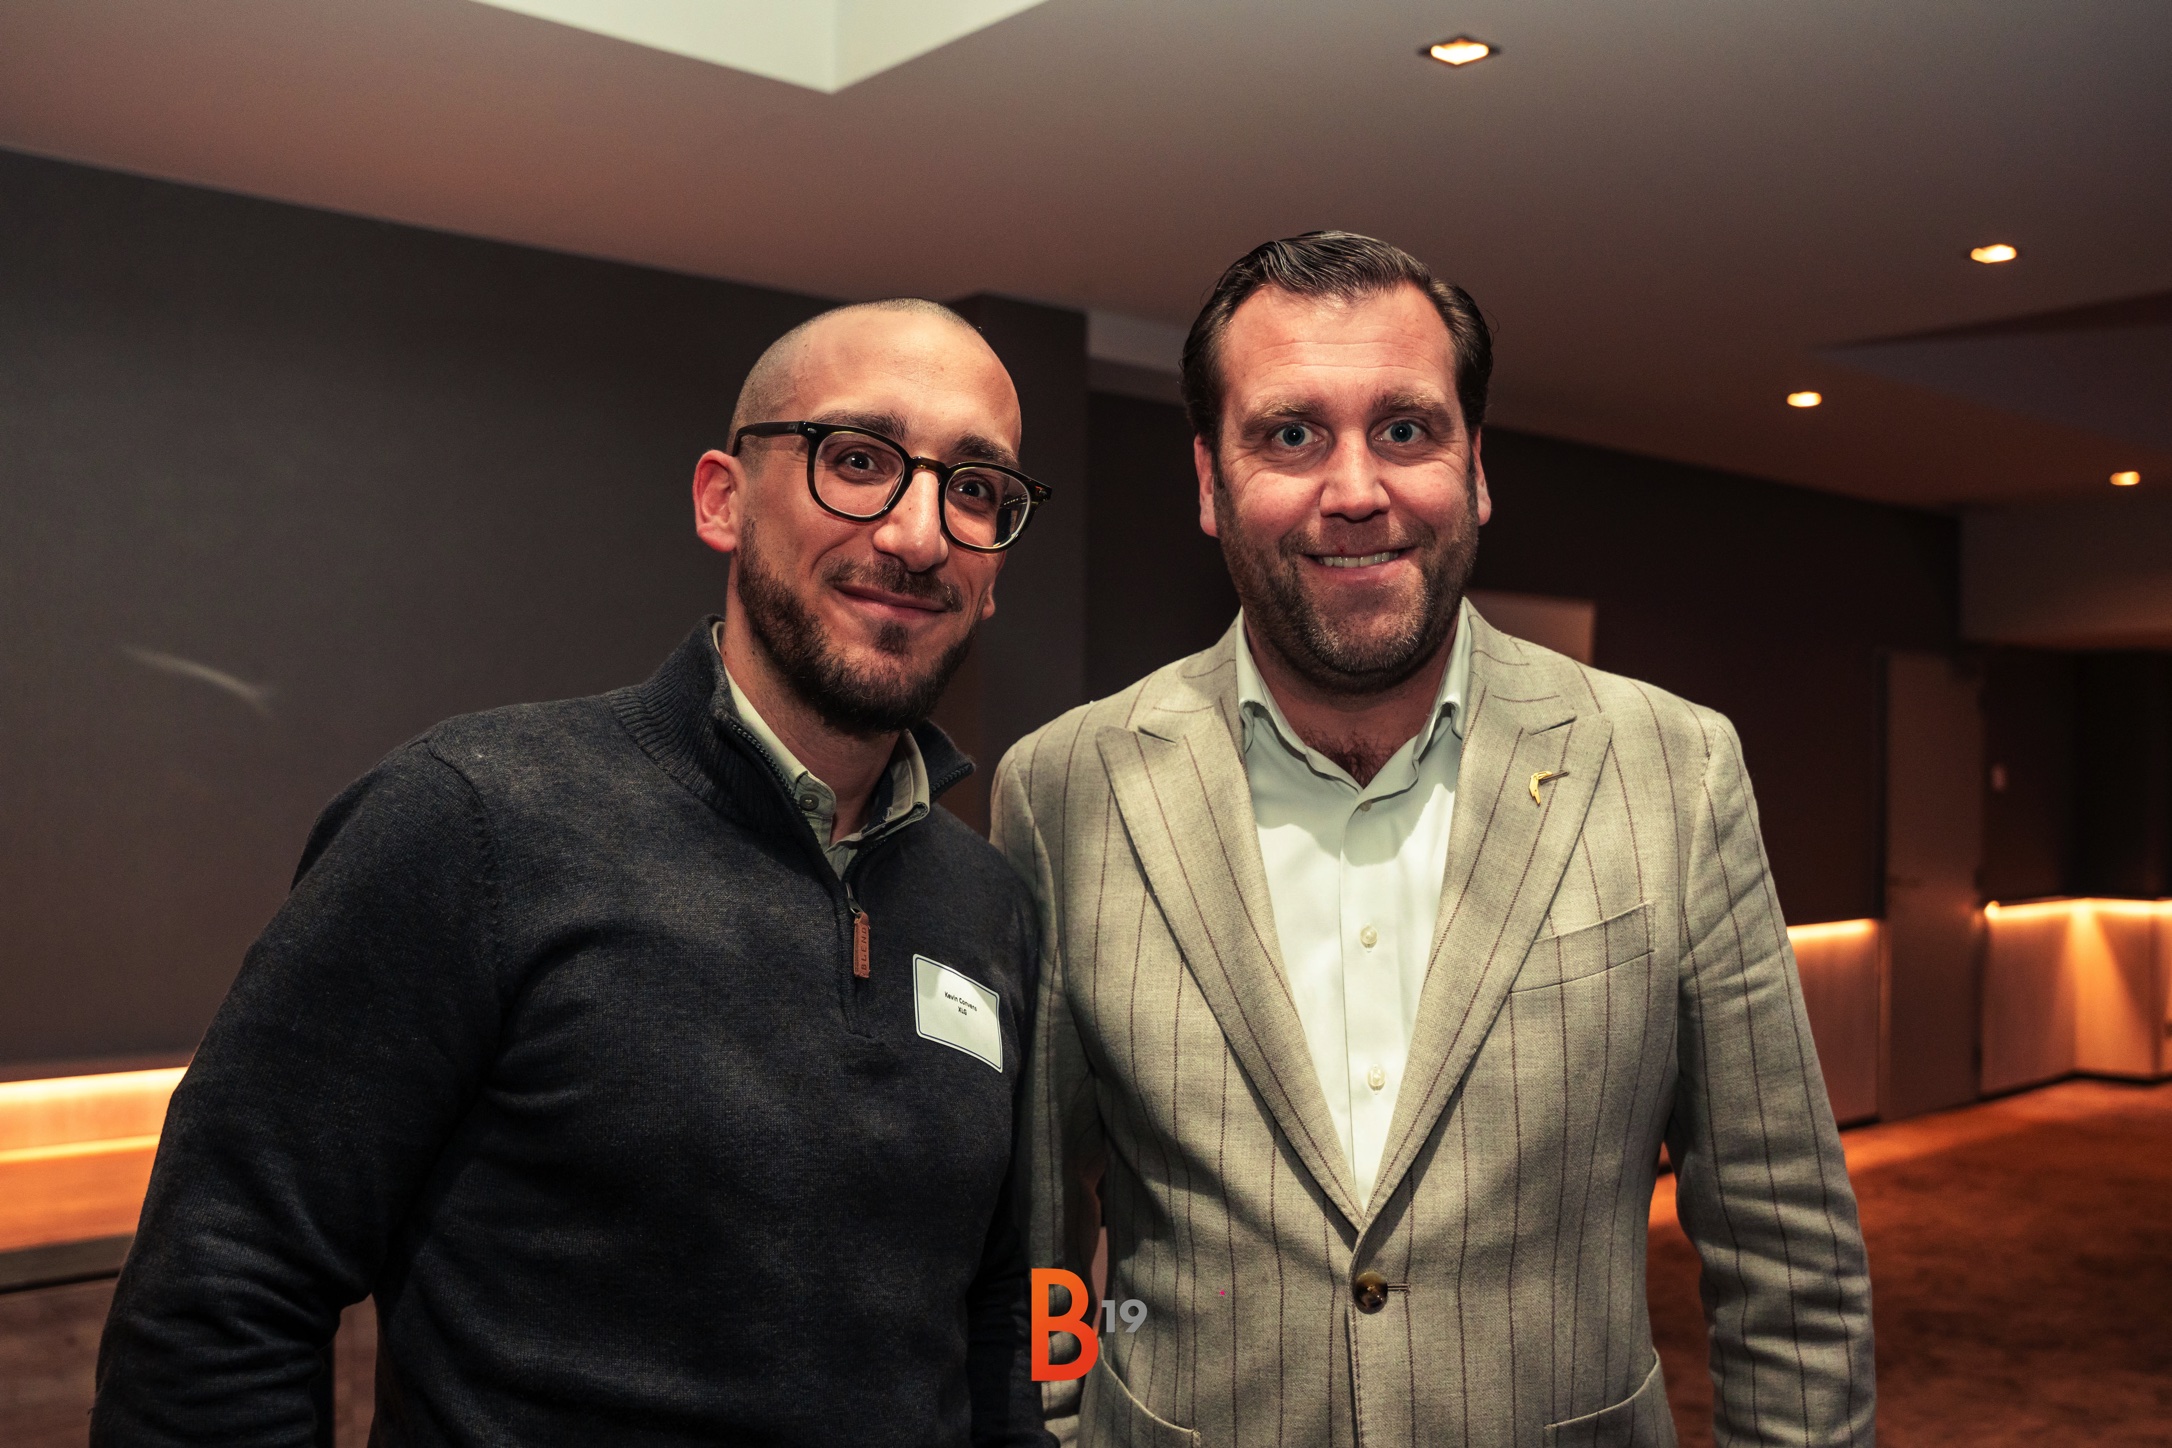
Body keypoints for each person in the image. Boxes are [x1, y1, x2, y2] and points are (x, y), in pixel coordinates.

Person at [95, 299, 1057, 1448]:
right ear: (724, 498)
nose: (917, 532)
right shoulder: (474, 819)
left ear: (996, 567)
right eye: (857, 459)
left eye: (974, 489)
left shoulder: (986, 903)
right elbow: (221, 1293)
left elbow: (996, 1314)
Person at [993, 234, 1874, 1446]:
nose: (1356, 489)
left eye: (1405, 429)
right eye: (1291, 434)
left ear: (1475, 466)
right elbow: (1038, 1246)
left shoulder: (1674, 767)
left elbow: (1787, 1256)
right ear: (1208, 480)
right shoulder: (1064, 787)